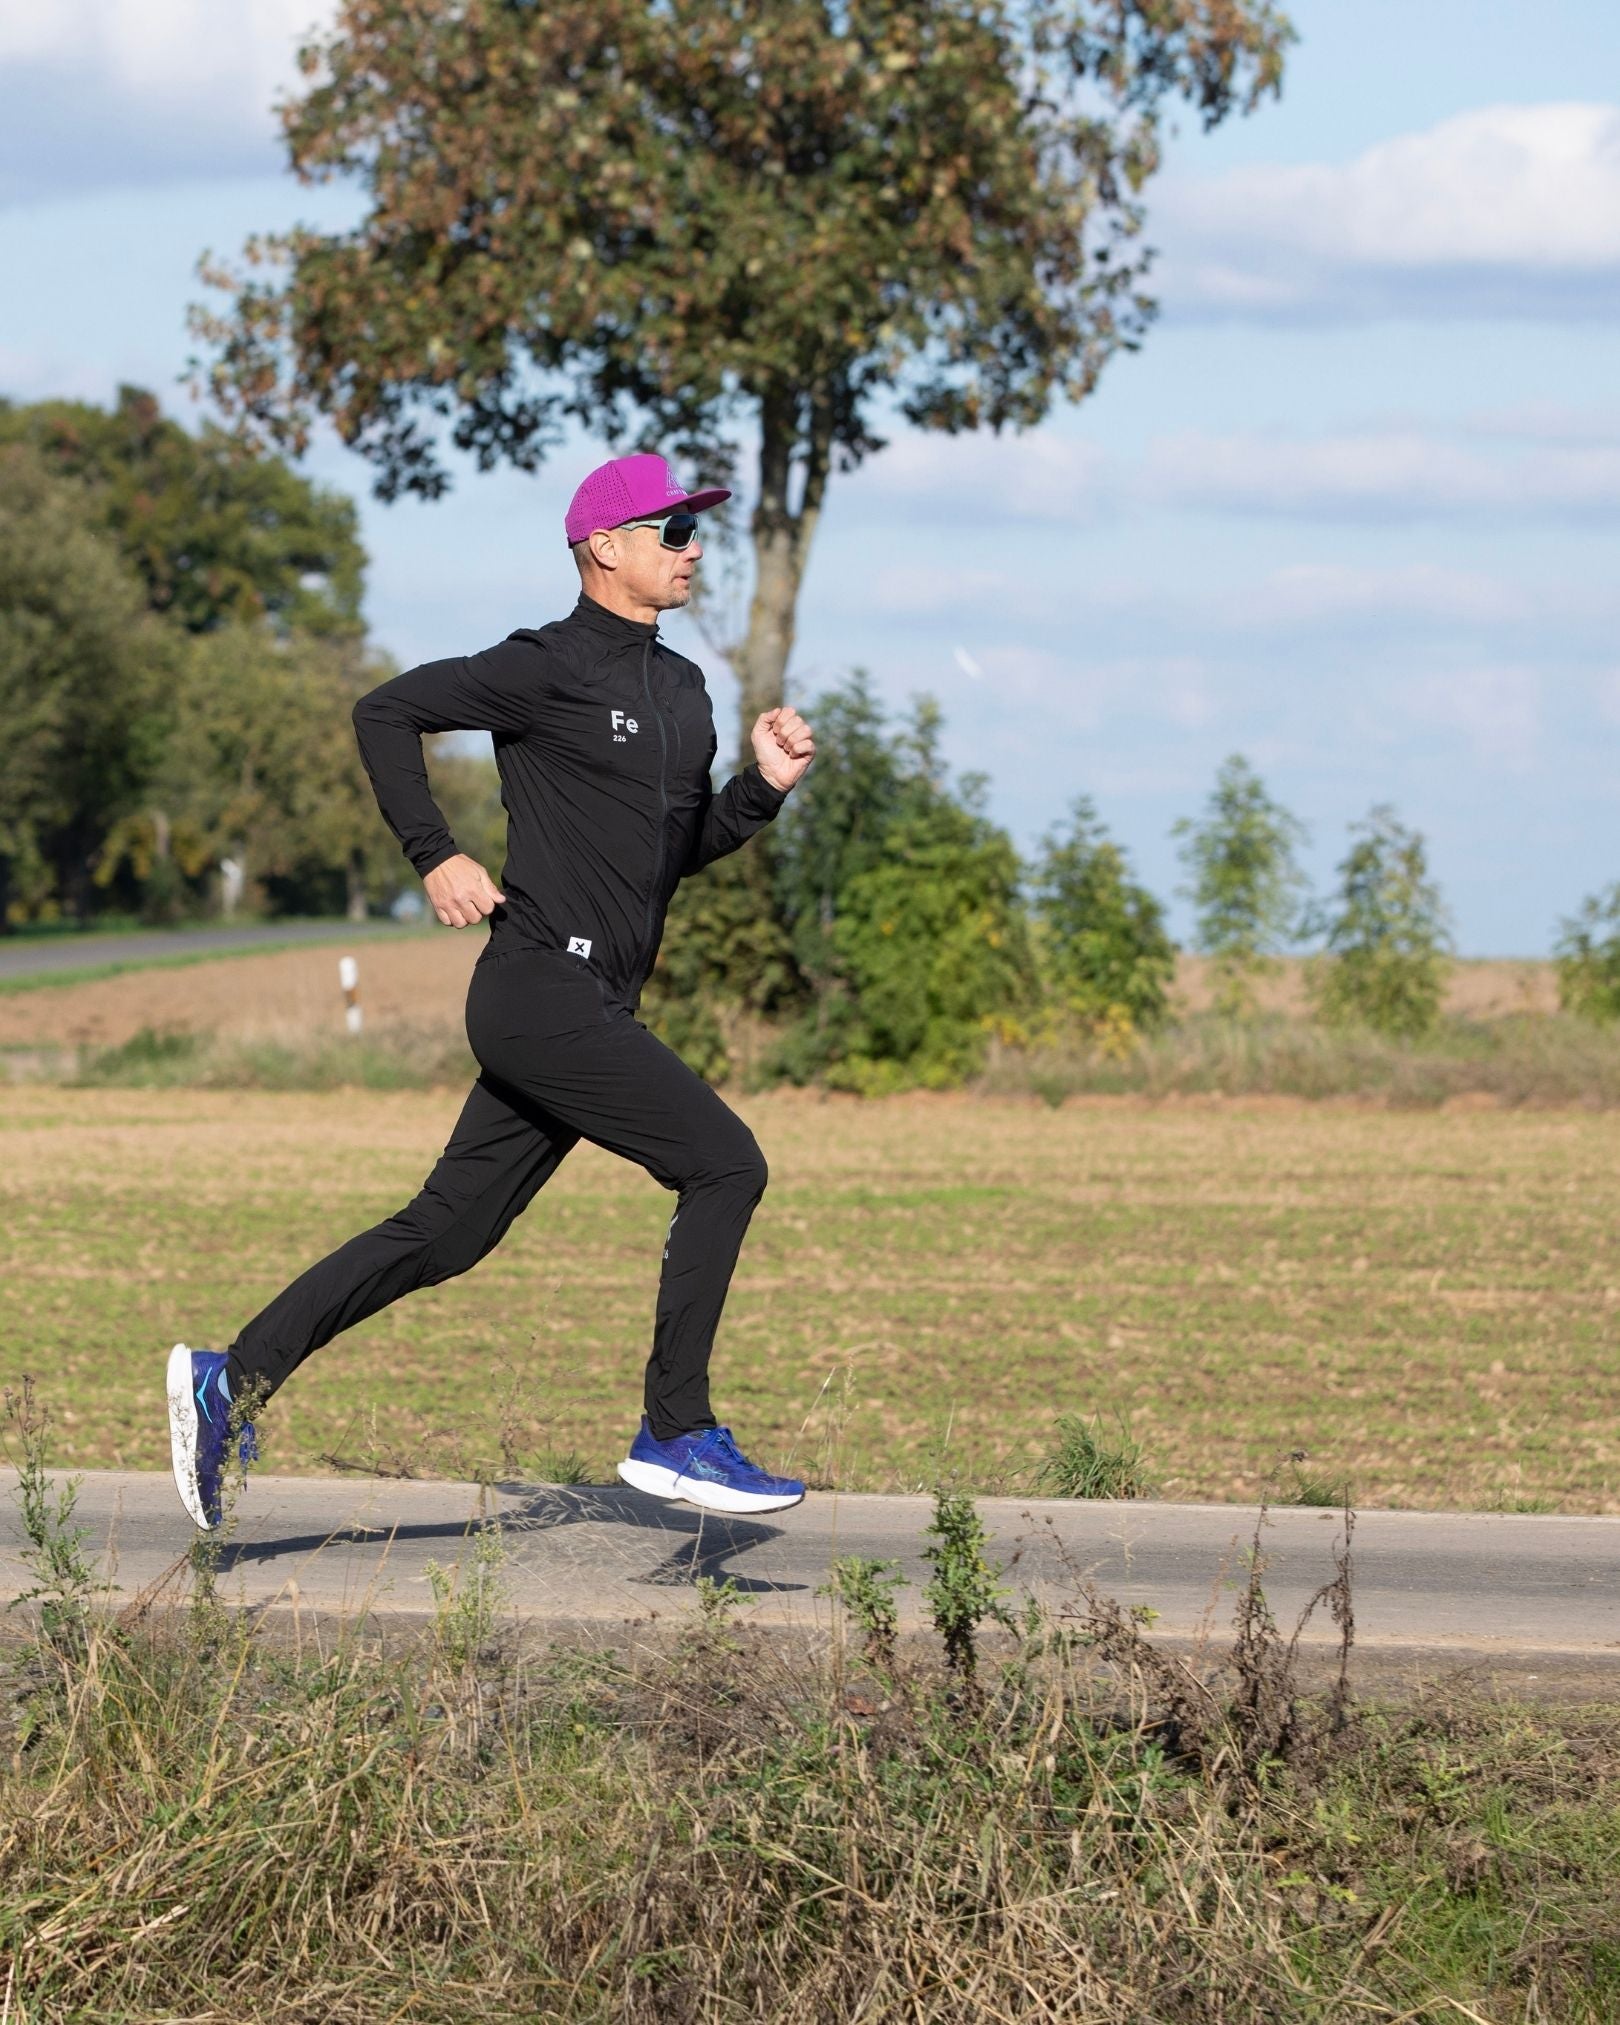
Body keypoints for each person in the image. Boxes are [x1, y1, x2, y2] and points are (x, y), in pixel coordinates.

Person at [166, 452, 816, 1529]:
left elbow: (669, 852)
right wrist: (435, 852)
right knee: (725, 1163)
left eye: (695, 532)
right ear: (606, 547)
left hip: (594, 1003)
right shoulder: (544, 666)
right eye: (673, 532)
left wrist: (759, 792)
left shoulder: (685, 691)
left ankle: (227, 1380)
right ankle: (676, 1428)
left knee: (448, 1234)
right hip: (535, 987)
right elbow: (385, 712)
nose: (693, 550)